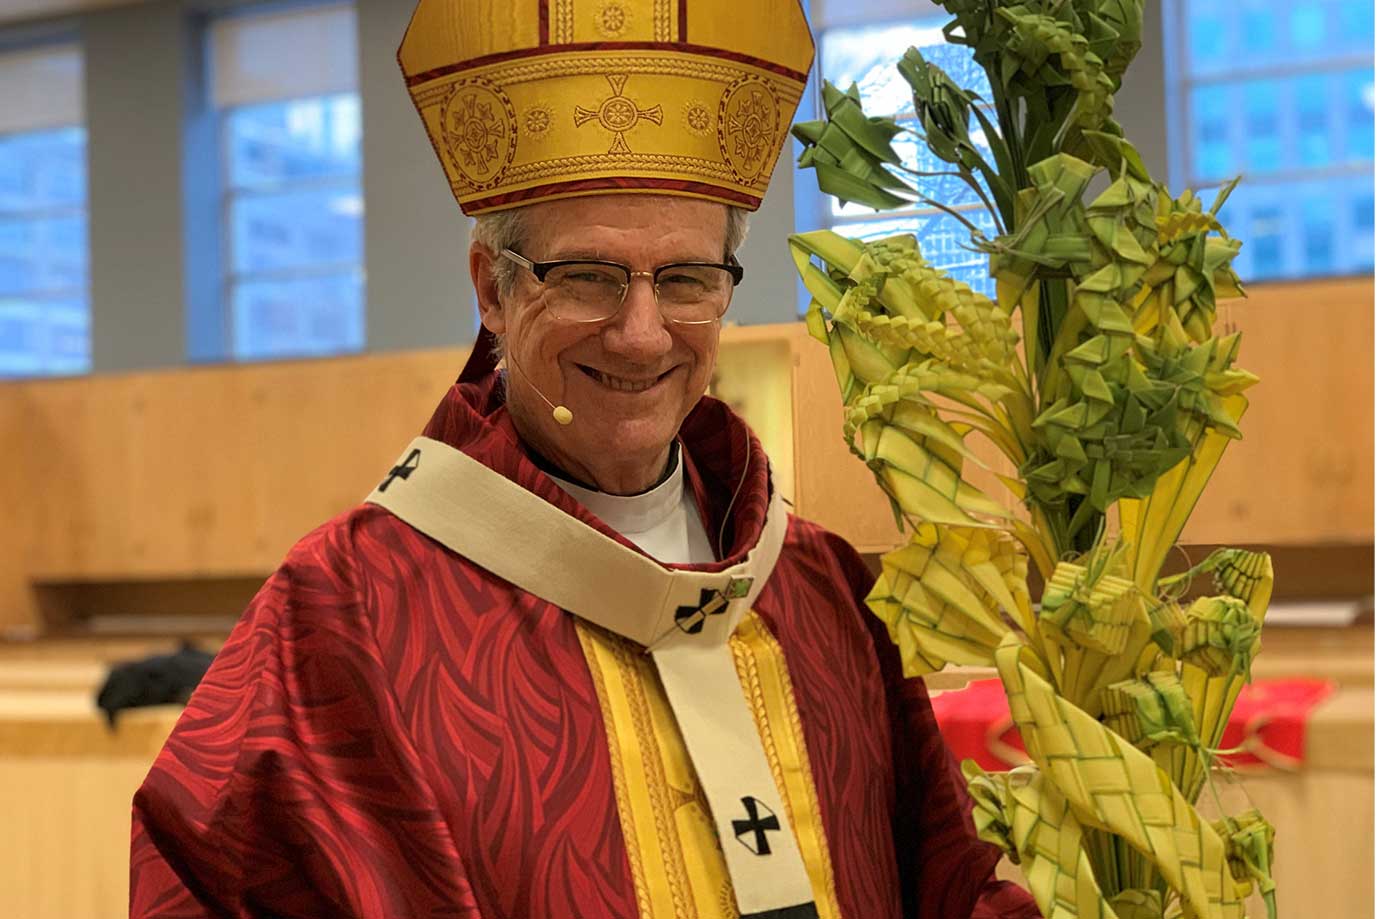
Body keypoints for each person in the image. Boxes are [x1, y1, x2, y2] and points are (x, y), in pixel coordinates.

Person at [130, 2, 1040, 917]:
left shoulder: (821, 588)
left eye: (685, 279)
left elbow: (948, 883)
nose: (642, 336)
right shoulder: (344, 613)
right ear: (491, 286)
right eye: (588, 277)